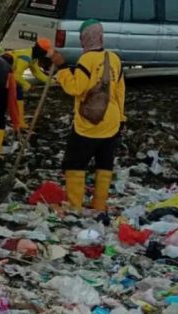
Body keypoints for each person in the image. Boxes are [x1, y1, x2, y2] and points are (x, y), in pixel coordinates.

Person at [52, 19, 126, 212]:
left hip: (89, 123)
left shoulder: (86, 60)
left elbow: (76, 88)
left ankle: (75, 206)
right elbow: (120, 92)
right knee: (104, 165)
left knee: (75, 164)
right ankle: (99, 205)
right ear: (101, 36)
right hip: (111, 121)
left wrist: (62, 68)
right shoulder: (114, 59)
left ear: (83, 39)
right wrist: (121, 119)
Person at [10, 38, 53, 128]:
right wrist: (27, 85)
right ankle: (19, 122)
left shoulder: (33, 58)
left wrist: (53, 81)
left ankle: (19, 121)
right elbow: (16, 75)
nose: (45, 55)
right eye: (45, 53)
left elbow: (37, 73)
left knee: (18, 93)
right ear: (40, 51)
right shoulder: (26, 58)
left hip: (7, 73)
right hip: (2, 71)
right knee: (16, 92)